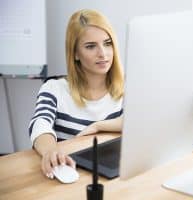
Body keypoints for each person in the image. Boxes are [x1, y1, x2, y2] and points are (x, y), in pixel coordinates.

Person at [29, 9, 124, 179]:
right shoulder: (54, 88)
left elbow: (139, 122)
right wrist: (50, 151)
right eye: (90, 46)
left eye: (107, 43)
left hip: (111, 179)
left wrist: (98, 126)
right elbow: (40, 124)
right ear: (75, 54)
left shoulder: (126, 89)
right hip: (71, 173)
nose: (103, 53)